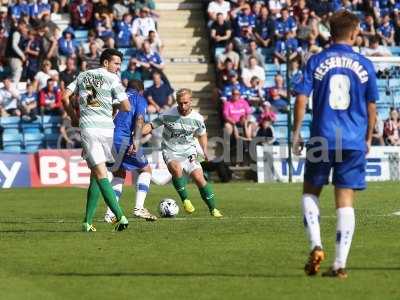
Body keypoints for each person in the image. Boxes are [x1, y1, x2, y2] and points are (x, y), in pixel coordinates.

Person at [292, 10, 378, 278]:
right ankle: (339, 265)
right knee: (345, 201)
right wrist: (368, 137)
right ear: (354, 33)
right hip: (352, 140)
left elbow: (301, 98)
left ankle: (316, 244)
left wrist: (296, 132)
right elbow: (371, 105)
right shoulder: (365, 64)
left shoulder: (315, 60)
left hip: (322, 137)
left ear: (330, 33)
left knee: (310, 193)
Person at [62, 48, 131, 232]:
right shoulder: (113, 78)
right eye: (116, 63)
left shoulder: (82, 75)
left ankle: (87, 221)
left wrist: (73, 116)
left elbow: (64, 96)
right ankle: (120, 216)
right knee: (100, 173)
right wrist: (111, 104)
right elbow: (126, 106)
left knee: (96, 173)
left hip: (89, 128)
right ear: (106, 62)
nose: (118, 67)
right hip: (106, 130)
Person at [142, 88, 223, 218]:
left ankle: (213, 209)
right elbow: (151, 125)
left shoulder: (197, 118)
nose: (182, 106)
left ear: (191, 101)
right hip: (170, 150)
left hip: (189, 151)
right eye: (180, 103)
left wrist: (204, 150)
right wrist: (138, 133)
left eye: (185, 103)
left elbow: (202, 135)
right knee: (176, 169)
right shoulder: (168, 114)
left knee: (199, 178)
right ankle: (185, 200)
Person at [104, 79, 157, 223]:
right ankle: (139, 207)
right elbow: (139, 120)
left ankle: (110, 213)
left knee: (119, 174)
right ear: (141, 90)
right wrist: (137, 140)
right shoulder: (139, 98)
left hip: (108, 140)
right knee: (146, 170)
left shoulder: (117, 97)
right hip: (123, 140)